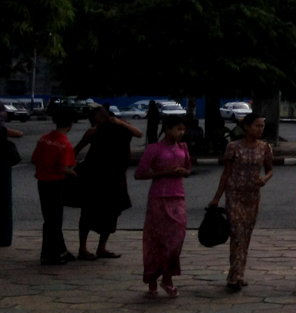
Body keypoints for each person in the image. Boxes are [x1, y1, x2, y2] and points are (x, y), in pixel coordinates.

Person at [209, 112, 274, 291]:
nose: (260, 129)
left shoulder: (265, 148)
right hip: (234, 194)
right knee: (237, 233)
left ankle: (239, 273)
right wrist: (216, 198)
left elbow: (270, 170)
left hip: (253, 196)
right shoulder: (233, 147)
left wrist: (265, 179)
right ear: (246, 127)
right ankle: (234, 275)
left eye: (262, 126)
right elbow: (226, 173)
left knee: (246, 235)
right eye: (257, 126)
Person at [134, 114, 191, 297]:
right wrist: (163, 173)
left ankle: (168, 277)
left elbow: (188, 169)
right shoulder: (154, 148)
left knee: (176, 238)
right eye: (178, 129)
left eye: (183, 129)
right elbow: (140, 173)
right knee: (156, 240)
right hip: (159, 197)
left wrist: (183, 172)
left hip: (178, 197)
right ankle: (152, 279)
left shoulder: (183, 147)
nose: (181, 133)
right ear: (167, 129)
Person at [75, 106, 141, 260]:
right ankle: (82, 248)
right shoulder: (93, 133)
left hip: (115, 177)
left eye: (98, 122)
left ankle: (101, 248)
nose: (96, 126)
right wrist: (86, 137)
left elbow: (138, 133)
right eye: (93, 123)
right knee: (88, 213)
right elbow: (77, 149)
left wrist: (121, 123)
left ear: (107, 118)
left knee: (112, 213)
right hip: (94, 178)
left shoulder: (120, 128)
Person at [32, 107, 77, 265]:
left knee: (50, 219)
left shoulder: (44, 138)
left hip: (42, 182)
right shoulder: (65, 144)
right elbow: (65, 168)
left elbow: (35, 158)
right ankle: (53, 254)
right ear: (70, 125)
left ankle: (57, 250)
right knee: (55, 220)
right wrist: (74, 174)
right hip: (55, 183)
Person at [1, 110, 22, 248]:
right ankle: (4, 237)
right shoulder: (2, 130)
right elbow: (19, 133)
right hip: (3, 166)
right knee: (4, 204)